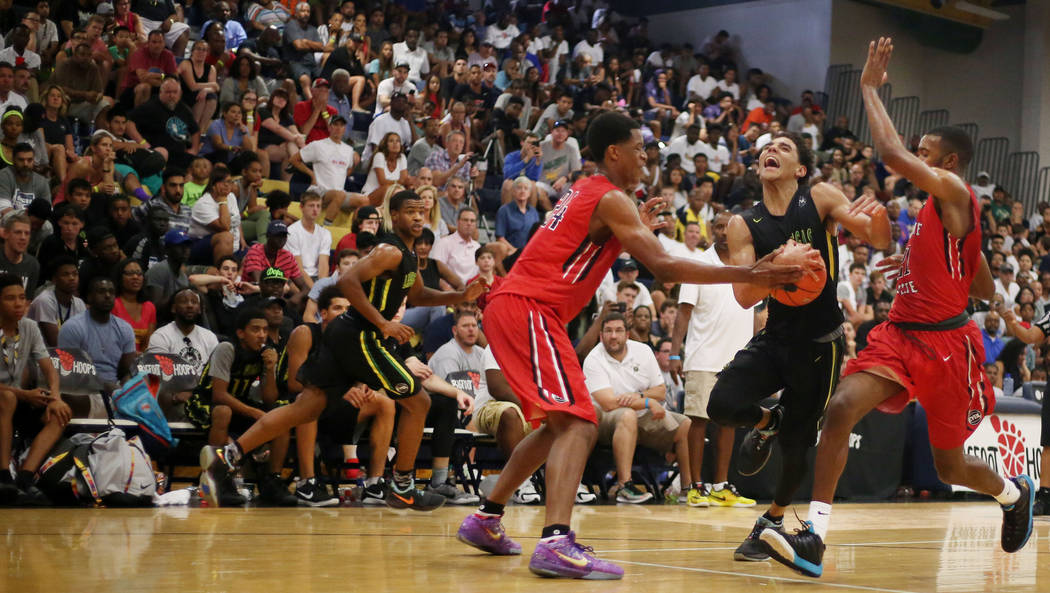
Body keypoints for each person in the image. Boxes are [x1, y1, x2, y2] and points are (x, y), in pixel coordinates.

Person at [453, 111, 805, 579]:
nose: (646, 157)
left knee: (559, 425)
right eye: (639, 148)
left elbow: (580, 247)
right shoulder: (609, 197)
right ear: (614, 153)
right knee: (579, 423)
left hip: (523, 308)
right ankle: (556, 541)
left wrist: (629, 227)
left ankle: (486, 517)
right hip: (529, 309)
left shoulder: (589, 192)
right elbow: (666, 266)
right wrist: (750, 272)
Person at [760, 38, 1034, 578]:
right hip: (899, 336)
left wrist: (867, 87)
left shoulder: (956, 192)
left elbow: (889, 154)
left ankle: (1011, 491)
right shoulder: (937, 212)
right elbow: (974, 271)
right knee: (839, 409)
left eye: (925, 151)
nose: (915, 155)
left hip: (947, 348)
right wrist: (924, 277)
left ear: (949, 163)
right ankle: (814, 536)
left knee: (948, 464)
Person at [198, 190, 488, 510]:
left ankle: (228, 456)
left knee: (306, 408)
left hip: (349, 334)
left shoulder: (405, 256)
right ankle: (403, 485)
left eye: (422, 212)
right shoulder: (389, 250)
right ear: (394, 214)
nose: (418, 217)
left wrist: (460, 295)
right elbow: (348, 281)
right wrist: (383, 324)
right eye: (410, 212)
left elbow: (418, 296)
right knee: (418, 401)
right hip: (361, 335)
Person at [700, 123, 890, 561]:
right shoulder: (743, 223)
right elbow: (745, 295)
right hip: (777, 336)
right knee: (721, 405)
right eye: (767, 147)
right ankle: (769, 421)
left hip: (821, 343)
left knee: (798, 443)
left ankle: (772, 518)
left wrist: (877, 214)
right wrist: (772, 270)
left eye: (783, 147)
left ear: (799, 168)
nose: (772, 150)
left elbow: (878, 238)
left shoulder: (820, 197)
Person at [668, 210, 757, 519]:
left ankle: (721, 486)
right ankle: (694, 486)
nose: (722, 232)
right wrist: (675, 352)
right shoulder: (699, 263)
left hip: (738, 359)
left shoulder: (747, 263)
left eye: (728, 227)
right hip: (703, 356)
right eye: (718, 226)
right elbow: (683, 311)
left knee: (729, 422)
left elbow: (755, 313)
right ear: (711, 229)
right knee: (698, 419)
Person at [284, 285, 395, 507]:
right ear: (323, 313)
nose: (343, 313)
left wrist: (363, 386)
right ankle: (307, 483)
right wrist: (341, 391)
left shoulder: (354, 339)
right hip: (301, 407)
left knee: (384, 403)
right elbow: (295, 383)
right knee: (308, 403)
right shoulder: (305, 333)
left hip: (338, 410)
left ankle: (374, 483)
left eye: (348, 309)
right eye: (337, 308)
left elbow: (358, 376)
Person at [186, 307, 296, 507]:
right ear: (241, 333)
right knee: (223, 412)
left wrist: (270, 370)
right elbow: (219, 395)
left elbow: (270, 399)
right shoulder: (227, 348)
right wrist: (254, 412)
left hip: (238, 404)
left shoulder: (265, 352)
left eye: (264, 329)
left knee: (281, 417)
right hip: (206, 402)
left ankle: (272, 480)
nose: (262, 334)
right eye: (255, 329)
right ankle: (219, 478)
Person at [583, 312, 693, 504]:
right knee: (627, 415)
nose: (613, 335)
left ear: (627, 334)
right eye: (608, 331)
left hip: (642, 416)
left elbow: (659, 391)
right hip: (605, 421)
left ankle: (687, 489)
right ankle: (625, 485)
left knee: (685, 424)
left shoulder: (643, 351)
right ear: (601, 336)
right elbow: (608, 403)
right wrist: (647, 402)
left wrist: (641, 396)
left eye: (618, 330)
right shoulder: (594, 359)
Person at [0, 272, 66, 506]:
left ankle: (25, 479)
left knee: (60, 412)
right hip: (6, 398)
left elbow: (49, 369)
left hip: (18, 398)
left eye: (22, 297)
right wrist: (24, 394)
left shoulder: (29, 326)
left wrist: (55, 397)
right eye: (10, 298)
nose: (19, 304)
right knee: (6, 397)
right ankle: (3, 477)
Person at [58, 276, 136, 387]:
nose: (108, 296)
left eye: (111, 292)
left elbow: (126, 371)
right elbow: (69, 372)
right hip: (82, 388)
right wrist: (105, 387)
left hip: (116, 388)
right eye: (101, 292)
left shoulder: (125, 328)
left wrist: (124, 390)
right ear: (89, 297)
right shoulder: (72, 327)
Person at [291, 114, 365, 225]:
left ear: (345, 129)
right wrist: (312, 174)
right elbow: (294, 159)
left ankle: (356, 230)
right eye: (335, 124)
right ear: (329, 127)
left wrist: (354, 165)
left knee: (365, 200)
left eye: (341, 125)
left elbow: (346, 172)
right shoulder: (318, 145)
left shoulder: (348, 150)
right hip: (318, 191)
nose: (338, 128)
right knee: (339, 195)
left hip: (338, 193)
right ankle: (326, 228)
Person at [147, 288, 219, 375]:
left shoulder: (209, 337)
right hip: (171, 387)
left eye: (194, 302)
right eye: (184, 302)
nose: (190, 306)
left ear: (199, 309)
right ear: (174, 308)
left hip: (202, 388)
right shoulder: (161, 336)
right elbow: (160, 374)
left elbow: (216, 372)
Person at [28, 255, 83, 347]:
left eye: (75, 274)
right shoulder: (44, 300)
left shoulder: (79, 304)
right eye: (65, 274)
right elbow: (55, 343)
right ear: (54, 280)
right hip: (38, 356)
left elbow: (84, 338)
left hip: (68, 356)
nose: (72, 278)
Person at [286, 192, 331, 286]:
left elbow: (323, 265)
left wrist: (321, 287)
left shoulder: (325, 233)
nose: (315, 209)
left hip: (316, 277)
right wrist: (314, 291)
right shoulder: (291, 231)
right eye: (311, 206)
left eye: (318, 206)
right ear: (301, 207)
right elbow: (298, 268)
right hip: (295, 277)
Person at [111, 258, 155, 352]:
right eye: (130, 273)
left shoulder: (149, 307)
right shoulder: (113, 304)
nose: (135, 277)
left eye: (139, 274)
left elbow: (147, 345)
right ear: (120, 277)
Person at [431, 208, 481, 282]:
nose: (469, 223)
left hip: (472, 291)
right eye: (465, 220)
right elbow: (436, 273)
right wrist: (452, 292)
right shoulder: (444, 243)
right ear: (458, 222)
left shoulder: (477, 246)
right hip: (450, 291)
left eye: (472, 221)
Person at [0, 143, 49, 213]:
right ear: (13, 160)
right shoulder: (3, 176)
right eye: (21, 160)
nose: (25, 164)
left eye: (29, 160)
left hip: (34, 222)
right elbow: (4, 210)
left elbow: (46, 211)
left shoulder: (42, 181)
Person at [0, 211, 40, 293]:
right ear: (5, 234)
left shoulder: (33, 265)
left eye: (27, 233)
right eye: (18, 232)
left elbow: (27, 300)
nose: (23, 237)